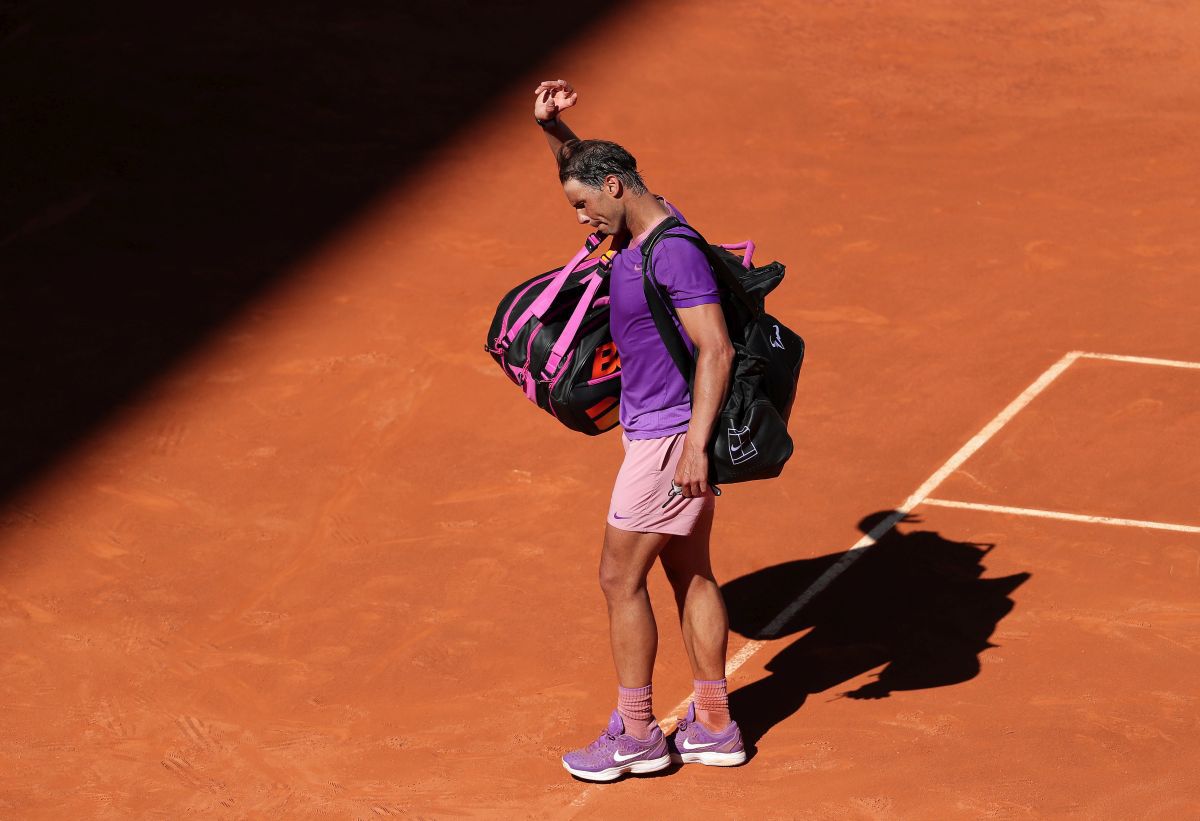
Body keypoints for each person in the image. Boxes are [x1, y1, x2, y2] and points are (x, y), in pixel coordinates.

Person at [533, 80, 747, 782]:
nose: (581, 218)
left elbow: (717, 348)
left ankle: (636, 735)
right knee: (689, 570)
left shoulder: (673, 253)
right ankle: (714, 722)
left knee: (617, 577)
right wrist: (558, 134)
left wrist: (693, 445)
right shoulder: (645, 221)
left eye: (583, 203)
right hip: (668, 435)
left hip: (668, 440)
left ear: (616, 187)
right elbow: (600, 174)